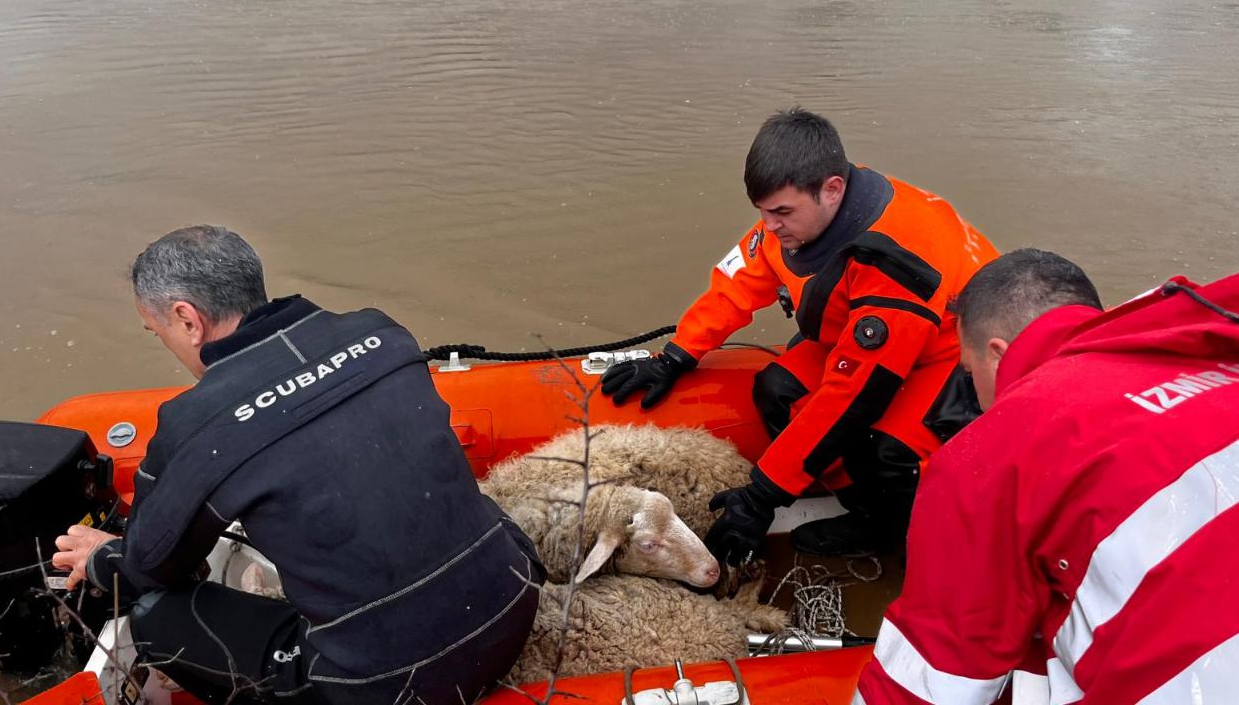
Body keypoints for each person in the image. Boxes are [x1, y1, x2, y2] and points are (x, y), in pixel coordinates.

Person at [52, 225, 544, 705]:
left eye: (157, 331)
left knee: (157, 616)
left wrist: (100, 558)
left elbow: (153, 568)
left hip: (387, 684)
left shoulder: (196, 424)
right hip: (515, 605)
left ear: (187, 319)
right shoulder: (381, 333)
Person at [854, 249, 1239, 704]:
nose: (979, 400)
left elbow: (931, 681)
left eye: (969, 375)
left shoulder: (1000, 444)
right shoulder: (1224, 351)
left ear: (998, 352)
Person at [602, 107, 998, 559]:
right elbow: (739, 282)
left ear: (832, 190)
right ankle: (858, 504)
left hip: (952, 351)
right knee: (776, 389)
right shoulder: (802, 211)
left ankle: (896, 533)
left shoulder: (894, 263)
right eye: (763, 212)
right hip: (869, 335)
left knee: (889, 454)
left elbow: (854, 395)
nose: (769, 226)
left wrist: (761, 496)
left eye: (781, 212)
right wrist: (677, 355)